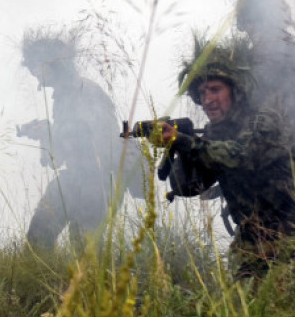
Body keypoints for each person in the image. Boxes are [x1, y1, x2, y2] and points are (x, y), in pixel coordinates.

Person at [154, 36, 295, 277]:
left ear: (236, 90)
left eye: (215, 89)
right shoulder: (213, 133)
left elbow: (239, 155)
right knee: (238, 312)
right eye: (202, 93)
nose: (207, 100)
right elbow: (189, 186)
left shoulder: (263, 119)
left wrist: (185, 141)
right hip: (248, 246)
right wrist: (179, 147)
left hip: (288, 241)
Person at [18, 30, 141, 251]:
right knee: (38, 236)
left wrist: (52, 132)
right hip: (76, 177)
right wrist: (47, 135)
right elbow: (59, 158)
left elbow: (100, 145)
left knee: (86, 248)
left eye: (37, 65)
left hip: (99, 180)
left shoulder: (86, 91)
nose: (34, 71)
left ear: (52, 63)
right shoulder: (62, 97)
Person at [235, 0, 295, 133]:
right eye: (246, 22)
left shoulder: (290, 53)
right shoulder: (244, 61)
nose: (249, 29)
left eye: (253, 21)